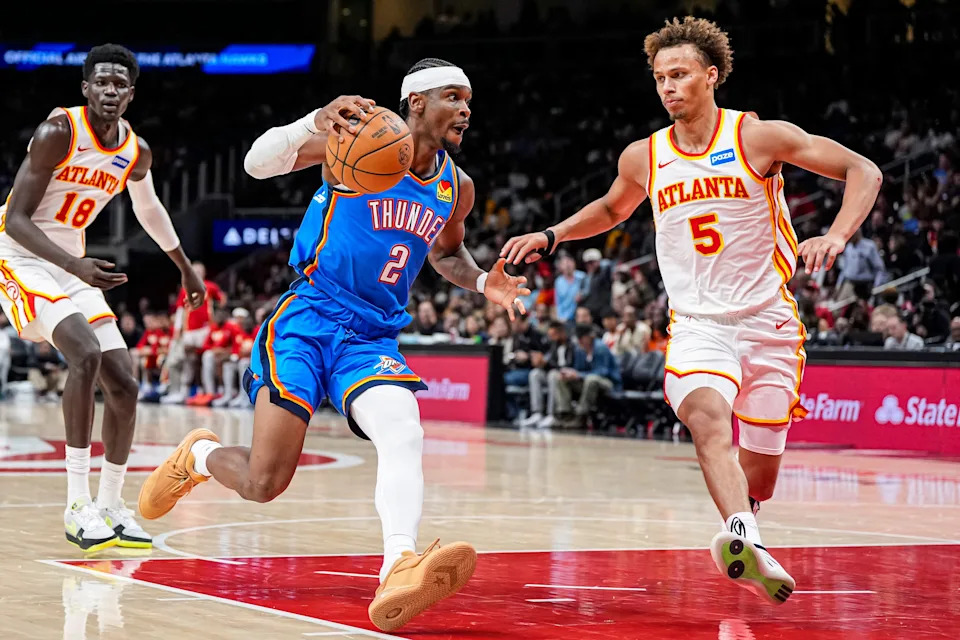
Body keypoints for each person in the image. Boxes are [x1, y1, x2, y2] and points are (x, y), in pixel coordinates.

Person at [139, 58, 530, 631]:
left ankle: (399, 562)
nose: (467, 109)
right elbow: (255, 163)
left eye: (470, 98)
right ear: (415, 102)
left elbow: (446, 253)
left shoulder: (457, 185)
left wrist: (481, 281)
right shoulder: (355, 138)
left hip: (371, 336)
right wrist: (312, 123)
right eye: (454, 96)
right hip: (308, 318)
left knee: (404, 429)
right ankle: (196, 457)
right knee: (263, 484)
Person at [501, 16, 882, 604]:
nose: (667, 87)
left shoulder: (758, 138)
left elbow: (865, 169)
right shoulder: (645, 155)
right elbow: (611, 208)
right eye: (659, 78)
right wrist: (552, 235)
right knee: (707, 419)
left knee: (762, 474)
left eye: (678, 75)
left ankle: (747, 516)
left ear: (711, 76)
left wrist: (835, 235)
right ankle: (745, 539)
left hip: (769, 322)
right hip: (698, 324)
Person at [0, 44, 206, 552]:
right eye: (101, 83)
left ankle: (112, 507)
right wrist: (74, 266)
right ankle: (76, 504)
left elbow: (150, 208)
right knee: (85, 353)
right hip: (21, 254)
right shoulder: (58, 132)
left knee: (126, 384)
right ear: (86, 88)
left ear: (131, 94)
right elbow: (15, 219)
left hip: (71, 261)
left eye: (120, 85)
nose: (110, 91)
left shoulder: (135, 150)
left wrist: (184, 268)